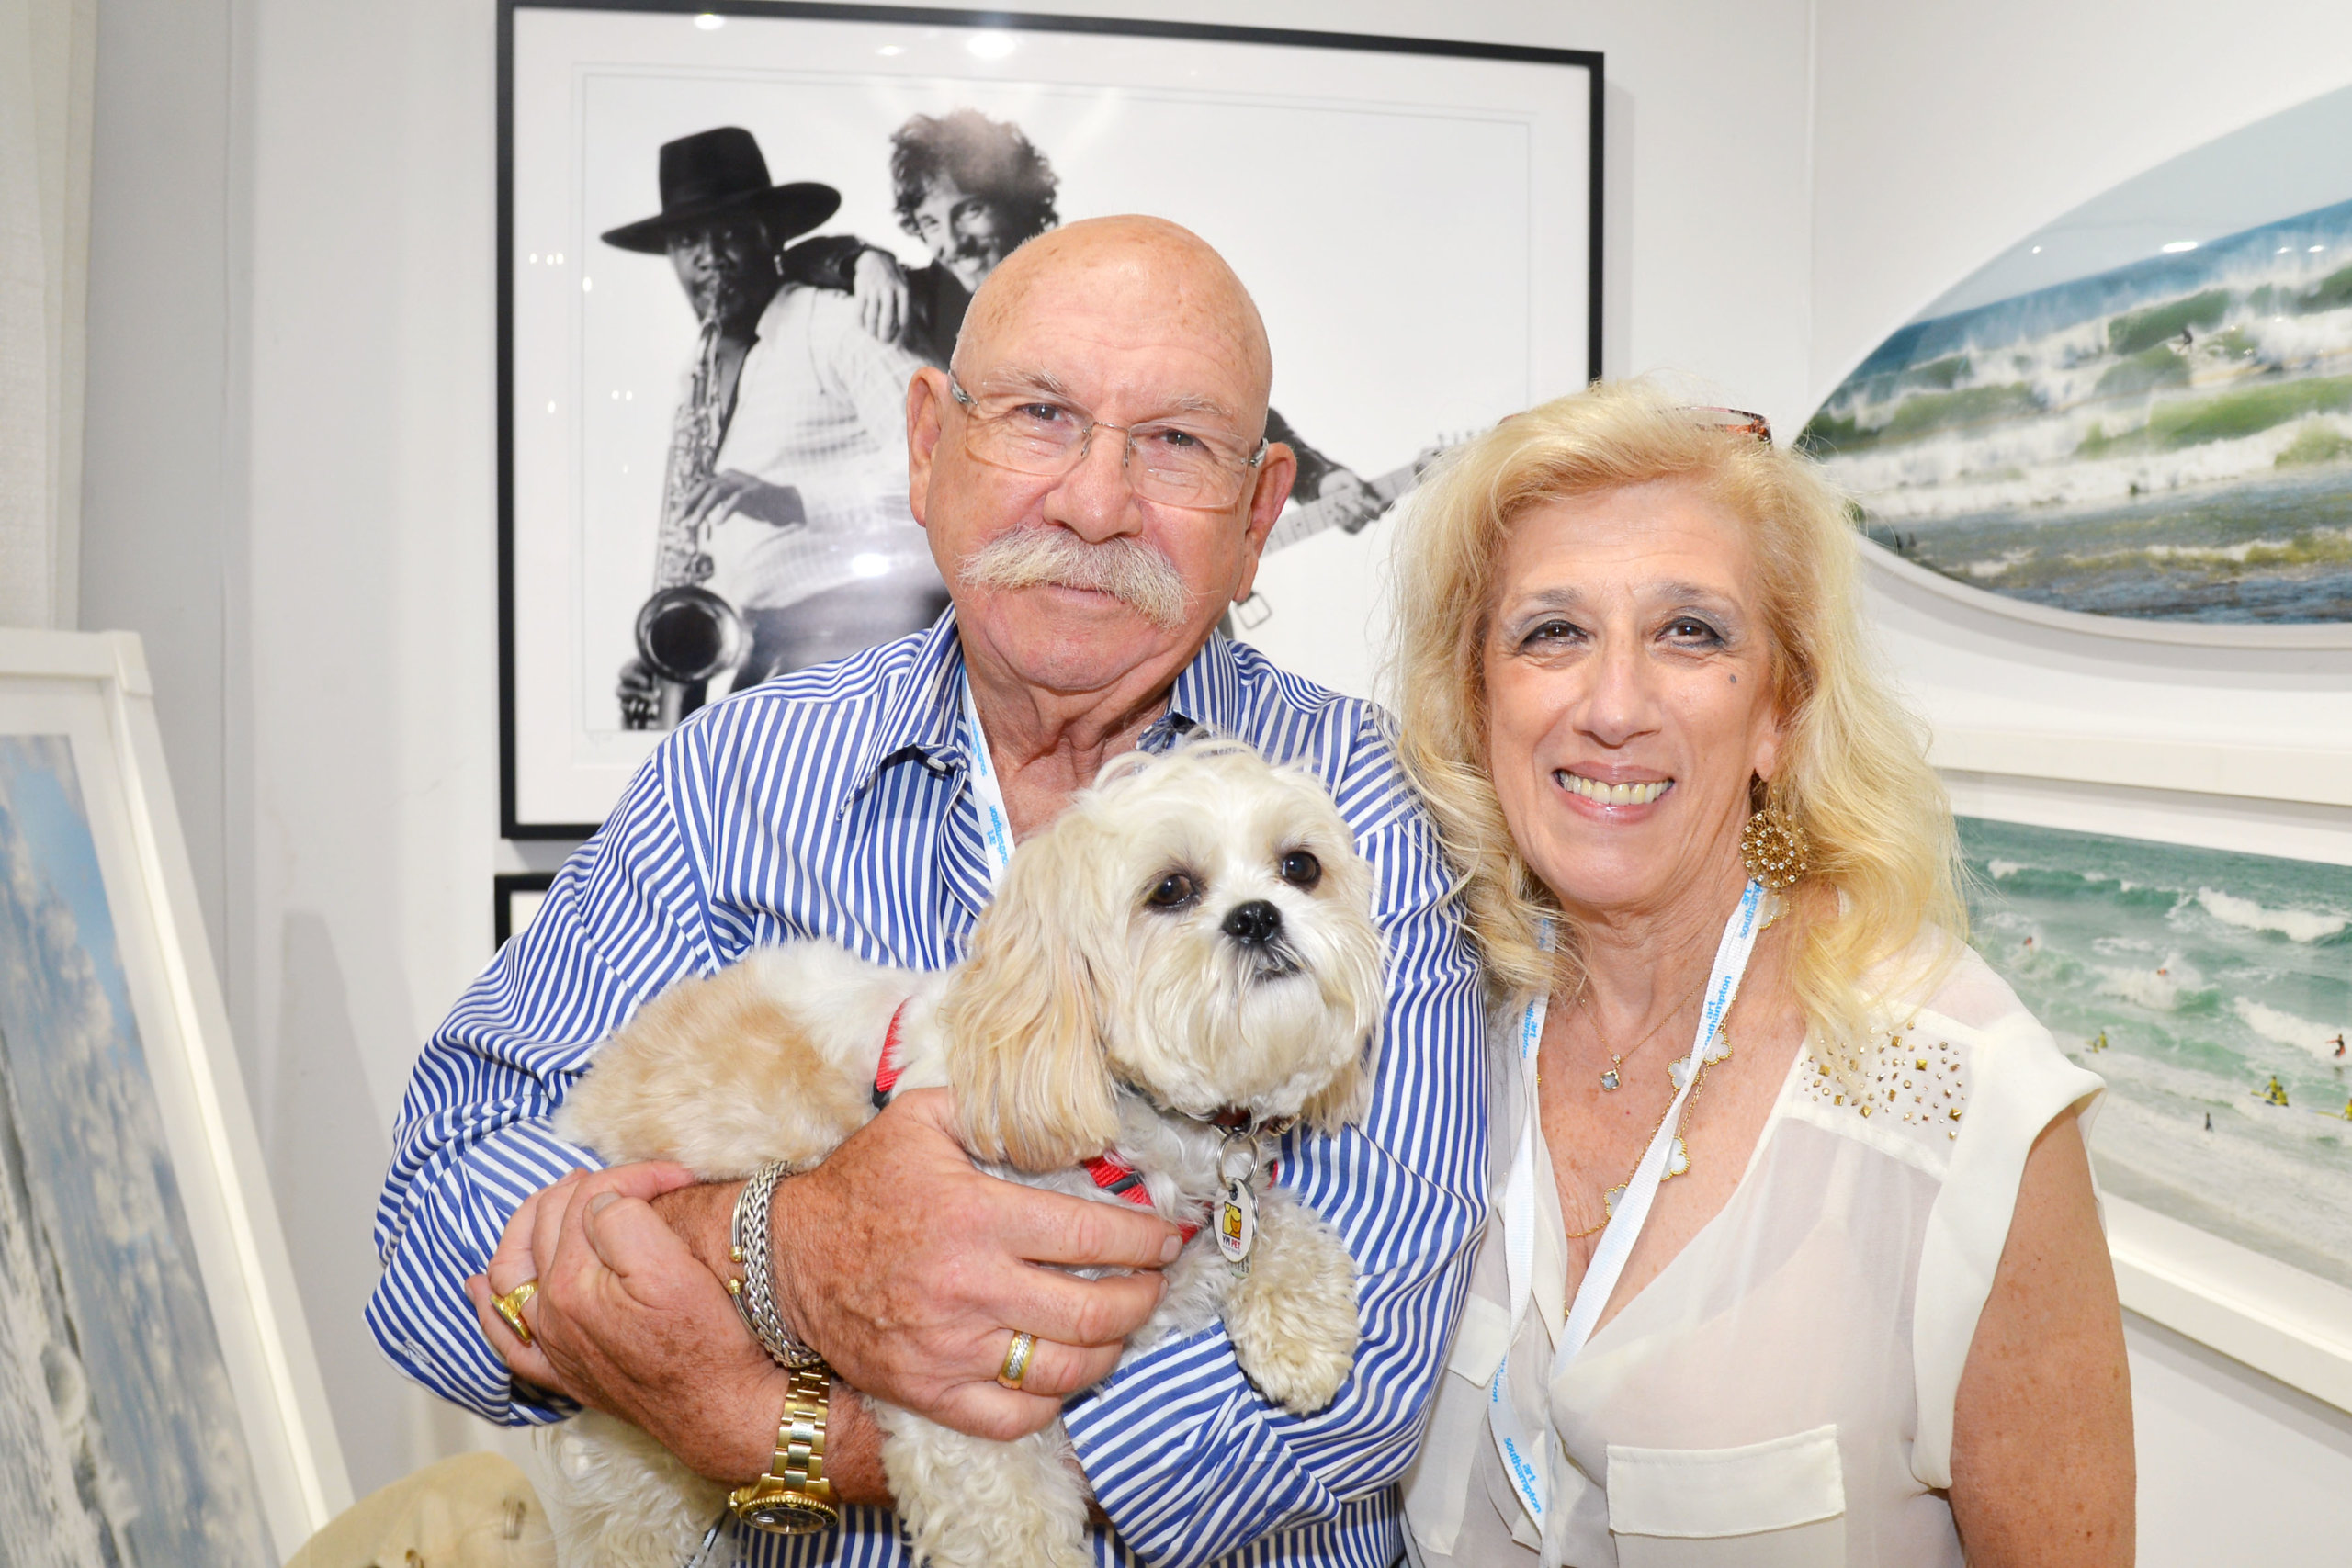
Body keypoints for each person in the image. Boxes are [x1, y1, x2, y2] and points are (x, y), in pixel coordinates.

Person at [369, 216, 1486, 1566]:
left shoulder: (1363, 806)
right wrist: (779, 1244)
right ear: (924, 444)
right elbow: (438, 1233)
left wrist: (756, 1420)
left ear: (1259, 519)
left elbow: (1343, 1385)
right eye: (1039, 414)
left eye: (1178, 443)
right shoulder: (738, 774)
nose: (1093, 499)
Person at [1388, 385, 2133, 1565]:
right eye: (1551, 632)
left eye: (1691, 632)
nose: (1613, 706)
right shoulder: (1427, 1036)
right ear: (1477, 701)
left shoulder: (1958, 1095)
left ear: (1780, 709)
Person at [796, 107, 1385, 531]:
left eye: (968, 209)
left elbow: (1214, 407)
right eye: (928, 223)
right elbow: (790, 259)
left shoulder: (1109, 283)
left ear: (1015, 201)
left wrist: (1320, 477)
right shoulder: (917, 295)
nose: (949, 240)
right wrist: (860, 260)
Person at [602, 126, 945, 728]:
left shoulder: (837, 324)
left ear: (773, 234)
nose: (709, 255)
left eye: (729, 230)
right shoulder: (697, 377)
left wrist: (792, 499)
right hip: (773, 651)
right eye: (688, 240)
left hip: (870, 639)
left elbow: (951, 463)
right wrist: (678, 657)